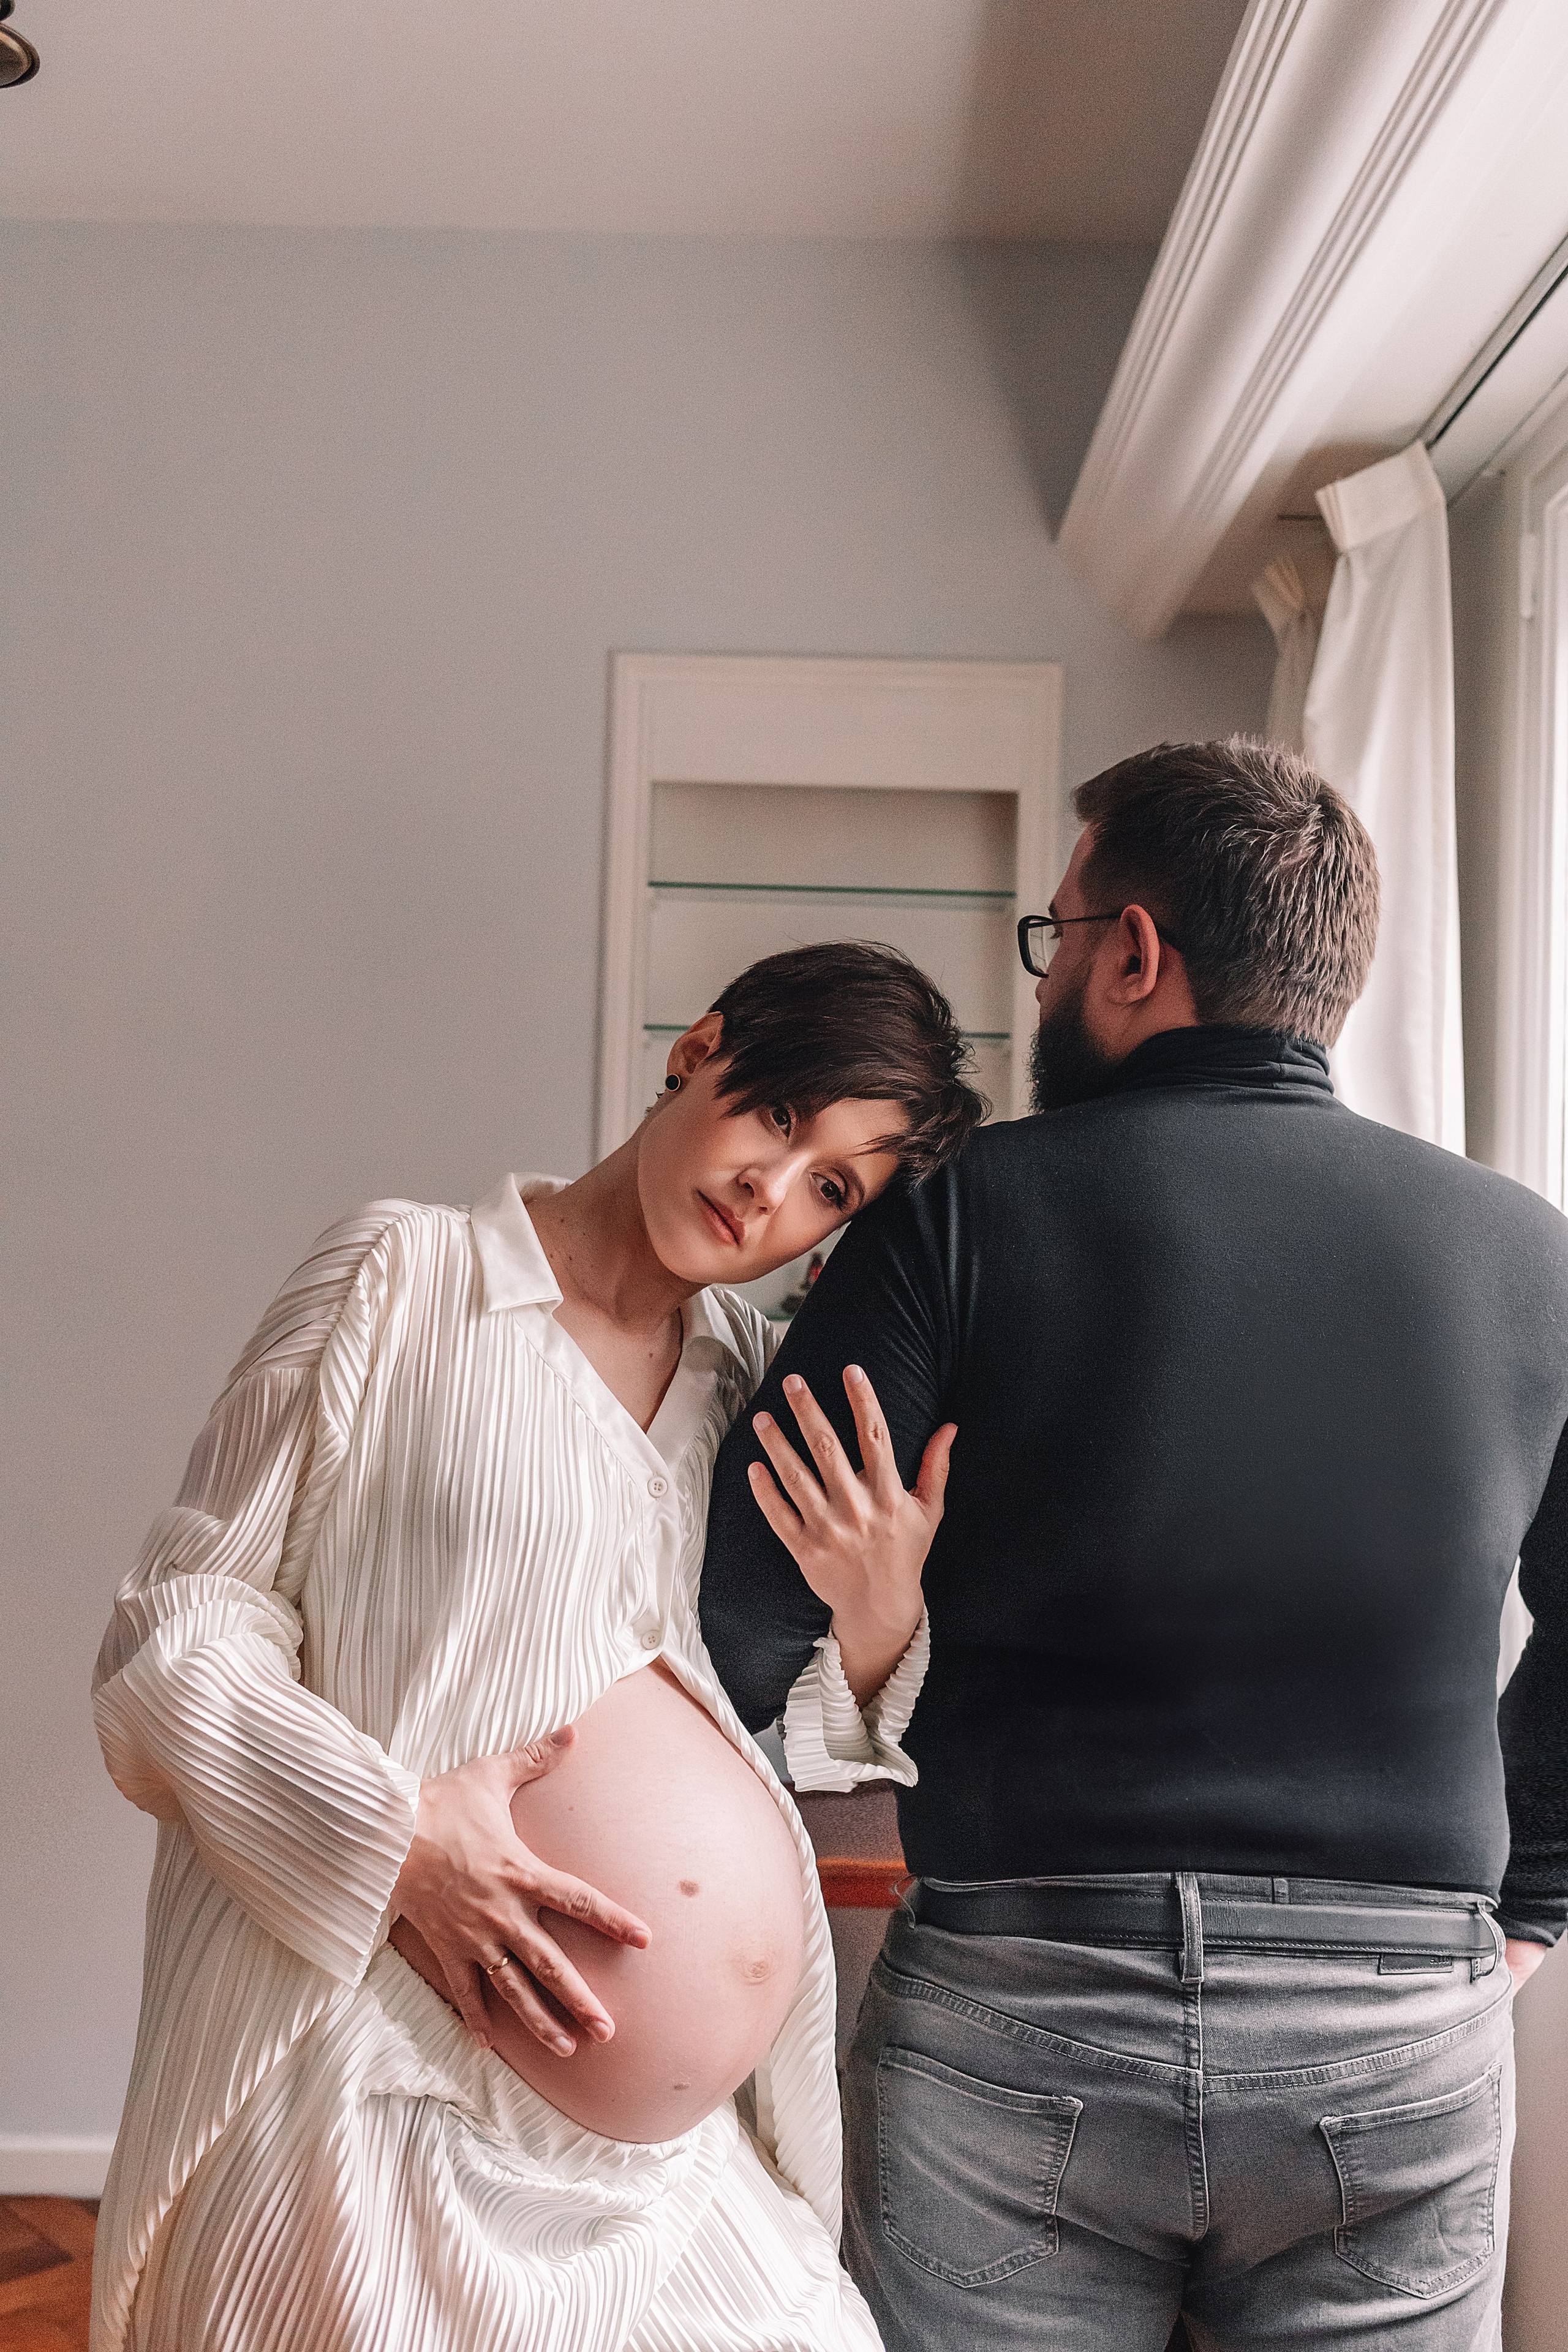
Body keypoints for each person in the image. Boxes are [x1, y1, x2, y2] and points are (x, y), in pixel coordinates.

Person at [701, 737, 1568, 2352]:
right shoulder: (1536, 1260)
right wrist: (1538, 1906)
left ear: (1137, 954)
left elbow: (737, 1616)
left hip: (1023, 2000)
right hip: (1392, 2026)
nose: (1042, 990)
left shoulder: (955, 1217)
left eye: (1057, 940)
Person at [90, 940, 986, 2352]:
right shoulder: (404, 1276)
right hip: (374, 2064)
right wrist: (391, 1843)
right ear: (699, 1047)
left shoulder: (753, 1393)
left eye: (830, 1187)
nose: (770, 1188)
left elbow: (785, 1738)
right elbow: (179, 1625)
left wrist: (875, 1620)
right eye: (777, 1113)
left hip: (663, 2175)